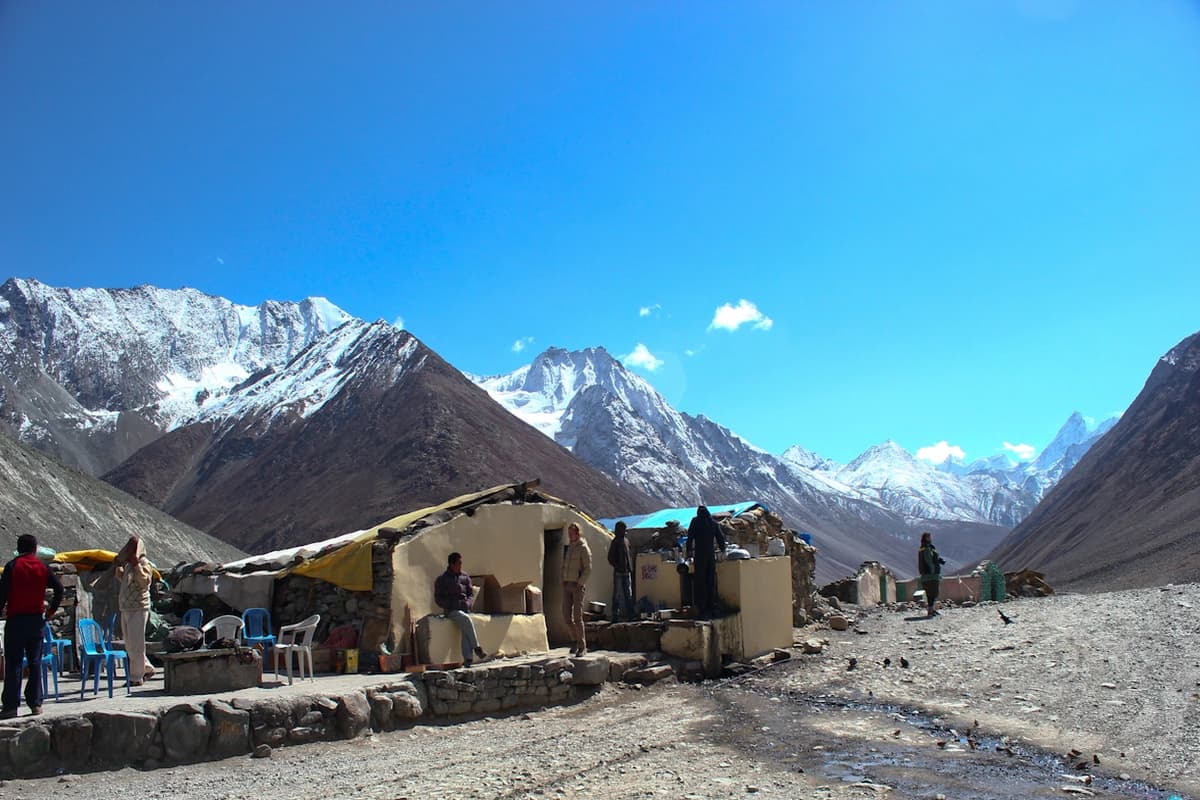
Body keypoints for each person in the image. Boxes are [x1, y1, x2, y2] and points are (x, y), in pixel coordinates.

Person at [0, 534, 64, 718]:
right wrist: (51, 611)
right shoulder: (42, 567)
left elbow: (2, 594)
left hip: (16, 620)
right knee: (35, 662)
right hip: (36, 621)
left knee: (14, 663)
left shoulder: (12, 566)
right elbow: (59, 589)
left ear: (18, 548)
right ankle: (35, 704)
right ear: (35, 549)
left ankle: (11, 706)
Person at [433, 552, 489, 666]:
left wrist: (468, 603)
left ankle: (468, 659)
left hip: (464, 608)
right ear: (452, 564)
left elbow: (470, 594)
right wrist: (451, 604)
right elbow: (438, 598)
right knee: (467, 619)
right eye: (458, 563)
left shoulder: (465, 577)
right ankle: (477, 647)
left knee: (465, 628)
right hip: (452, 610)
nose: (460, 566)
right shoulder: (442, 579)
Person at [115, 536, 155, 685]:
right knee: (129, 643)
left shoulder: (144, 564)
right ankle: (146, 668)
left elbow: (145, 582)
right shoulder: (128, 566)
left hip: (139, 607)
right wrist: (119, 567)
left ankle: (136, 677)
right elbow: (123, 580)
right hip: (126, 607)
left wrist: (137, 565)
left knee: (136, 643)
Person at [686, 506, 727, 619]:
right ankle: (711, 605)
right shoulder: (713, 523)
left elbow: (690, 537)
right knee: (710, 580)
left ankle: (702, 607)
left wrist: (688, 552)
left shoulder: (695, 521)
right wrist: (723, 550)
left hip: (699, 555)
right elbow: (720, 538)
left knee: (700, 581)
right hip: (710, 555)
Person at [561, 522, 592, 656]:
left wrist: (580, 583)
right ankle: (574, 640)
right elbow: (564, 565)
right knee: (566, 616)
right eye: (568, 533)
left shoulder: (583, 548)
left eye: (571, 533)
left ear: (577, 533)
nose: (569, 535)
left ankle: (582, 646)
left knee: (577, 617)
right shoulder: (569, 548)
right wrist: (562, 579)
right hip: (567, 584)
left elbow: (588, 569)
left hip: (577, 586)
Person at [607, 521, 635, 623]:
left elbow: (628, 556)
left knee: (628, 594)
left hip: (626, 572)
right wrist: (617, 566)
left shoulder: (626, 541)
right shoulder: (615, 541)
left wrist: (629, 568)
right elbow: (610, 558)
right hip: (619, 572)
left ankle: (631, 615)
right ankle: (615, 616)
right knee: (617, 595)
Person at [918, 531, 946, 617]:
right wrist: (933, 570)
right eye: (929, 537)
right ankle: (931, 610)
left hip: (928, 574)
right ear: (926, 538)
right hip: (930, 575)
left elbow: (933, 557)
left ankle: (931, 609)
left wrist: (939, 560)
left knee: (931, 593)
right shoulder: (926, 548)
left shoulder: (929, 548)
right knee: (932, 593)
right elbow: (928, 560)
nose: (930, 538)